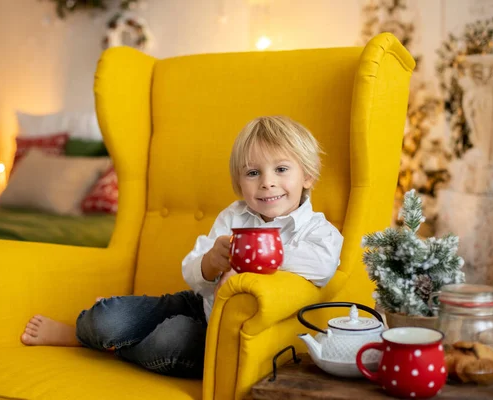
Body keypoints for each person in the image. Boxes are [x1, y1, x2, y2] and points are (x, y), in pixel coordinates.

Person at [20, 115, 344, 379]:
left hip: (216, 335)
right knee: (109, 316)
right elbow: (191, 271)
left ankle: (102, 345)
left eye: (281, 169)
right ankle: (87, 331)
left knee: (170, 340)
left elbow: (324, 266)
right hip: (194, 303)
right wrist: (211, 262)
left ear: (308, 177)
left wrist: (264, 256)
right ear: (238, 182)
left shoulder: (317, 230)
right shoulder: (234, 216)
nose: (267, 182)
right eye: (253, 172)